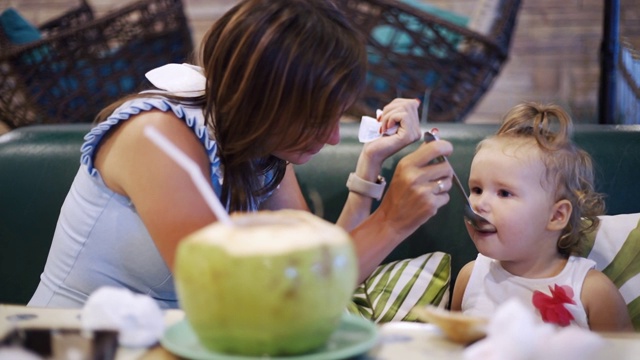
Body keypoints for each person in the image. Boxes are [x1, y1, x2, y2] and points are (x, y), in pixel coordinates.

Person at [28, 0, 454, 309]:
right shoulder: (155, 138)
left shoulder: (258, 143)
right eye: (314, 119)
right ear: (261, 100)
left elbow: (315, 273)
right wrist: (393, 220)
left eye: (336, 116)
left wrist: (371, 168)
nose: (331, 139)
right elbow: (243, 298)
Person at [450, 102, 632, 331]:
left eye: (504, 193)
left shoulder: (592, 292)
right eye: (476, 189)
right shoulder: (469, 278)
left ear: (556, 216)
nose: (479, 204)